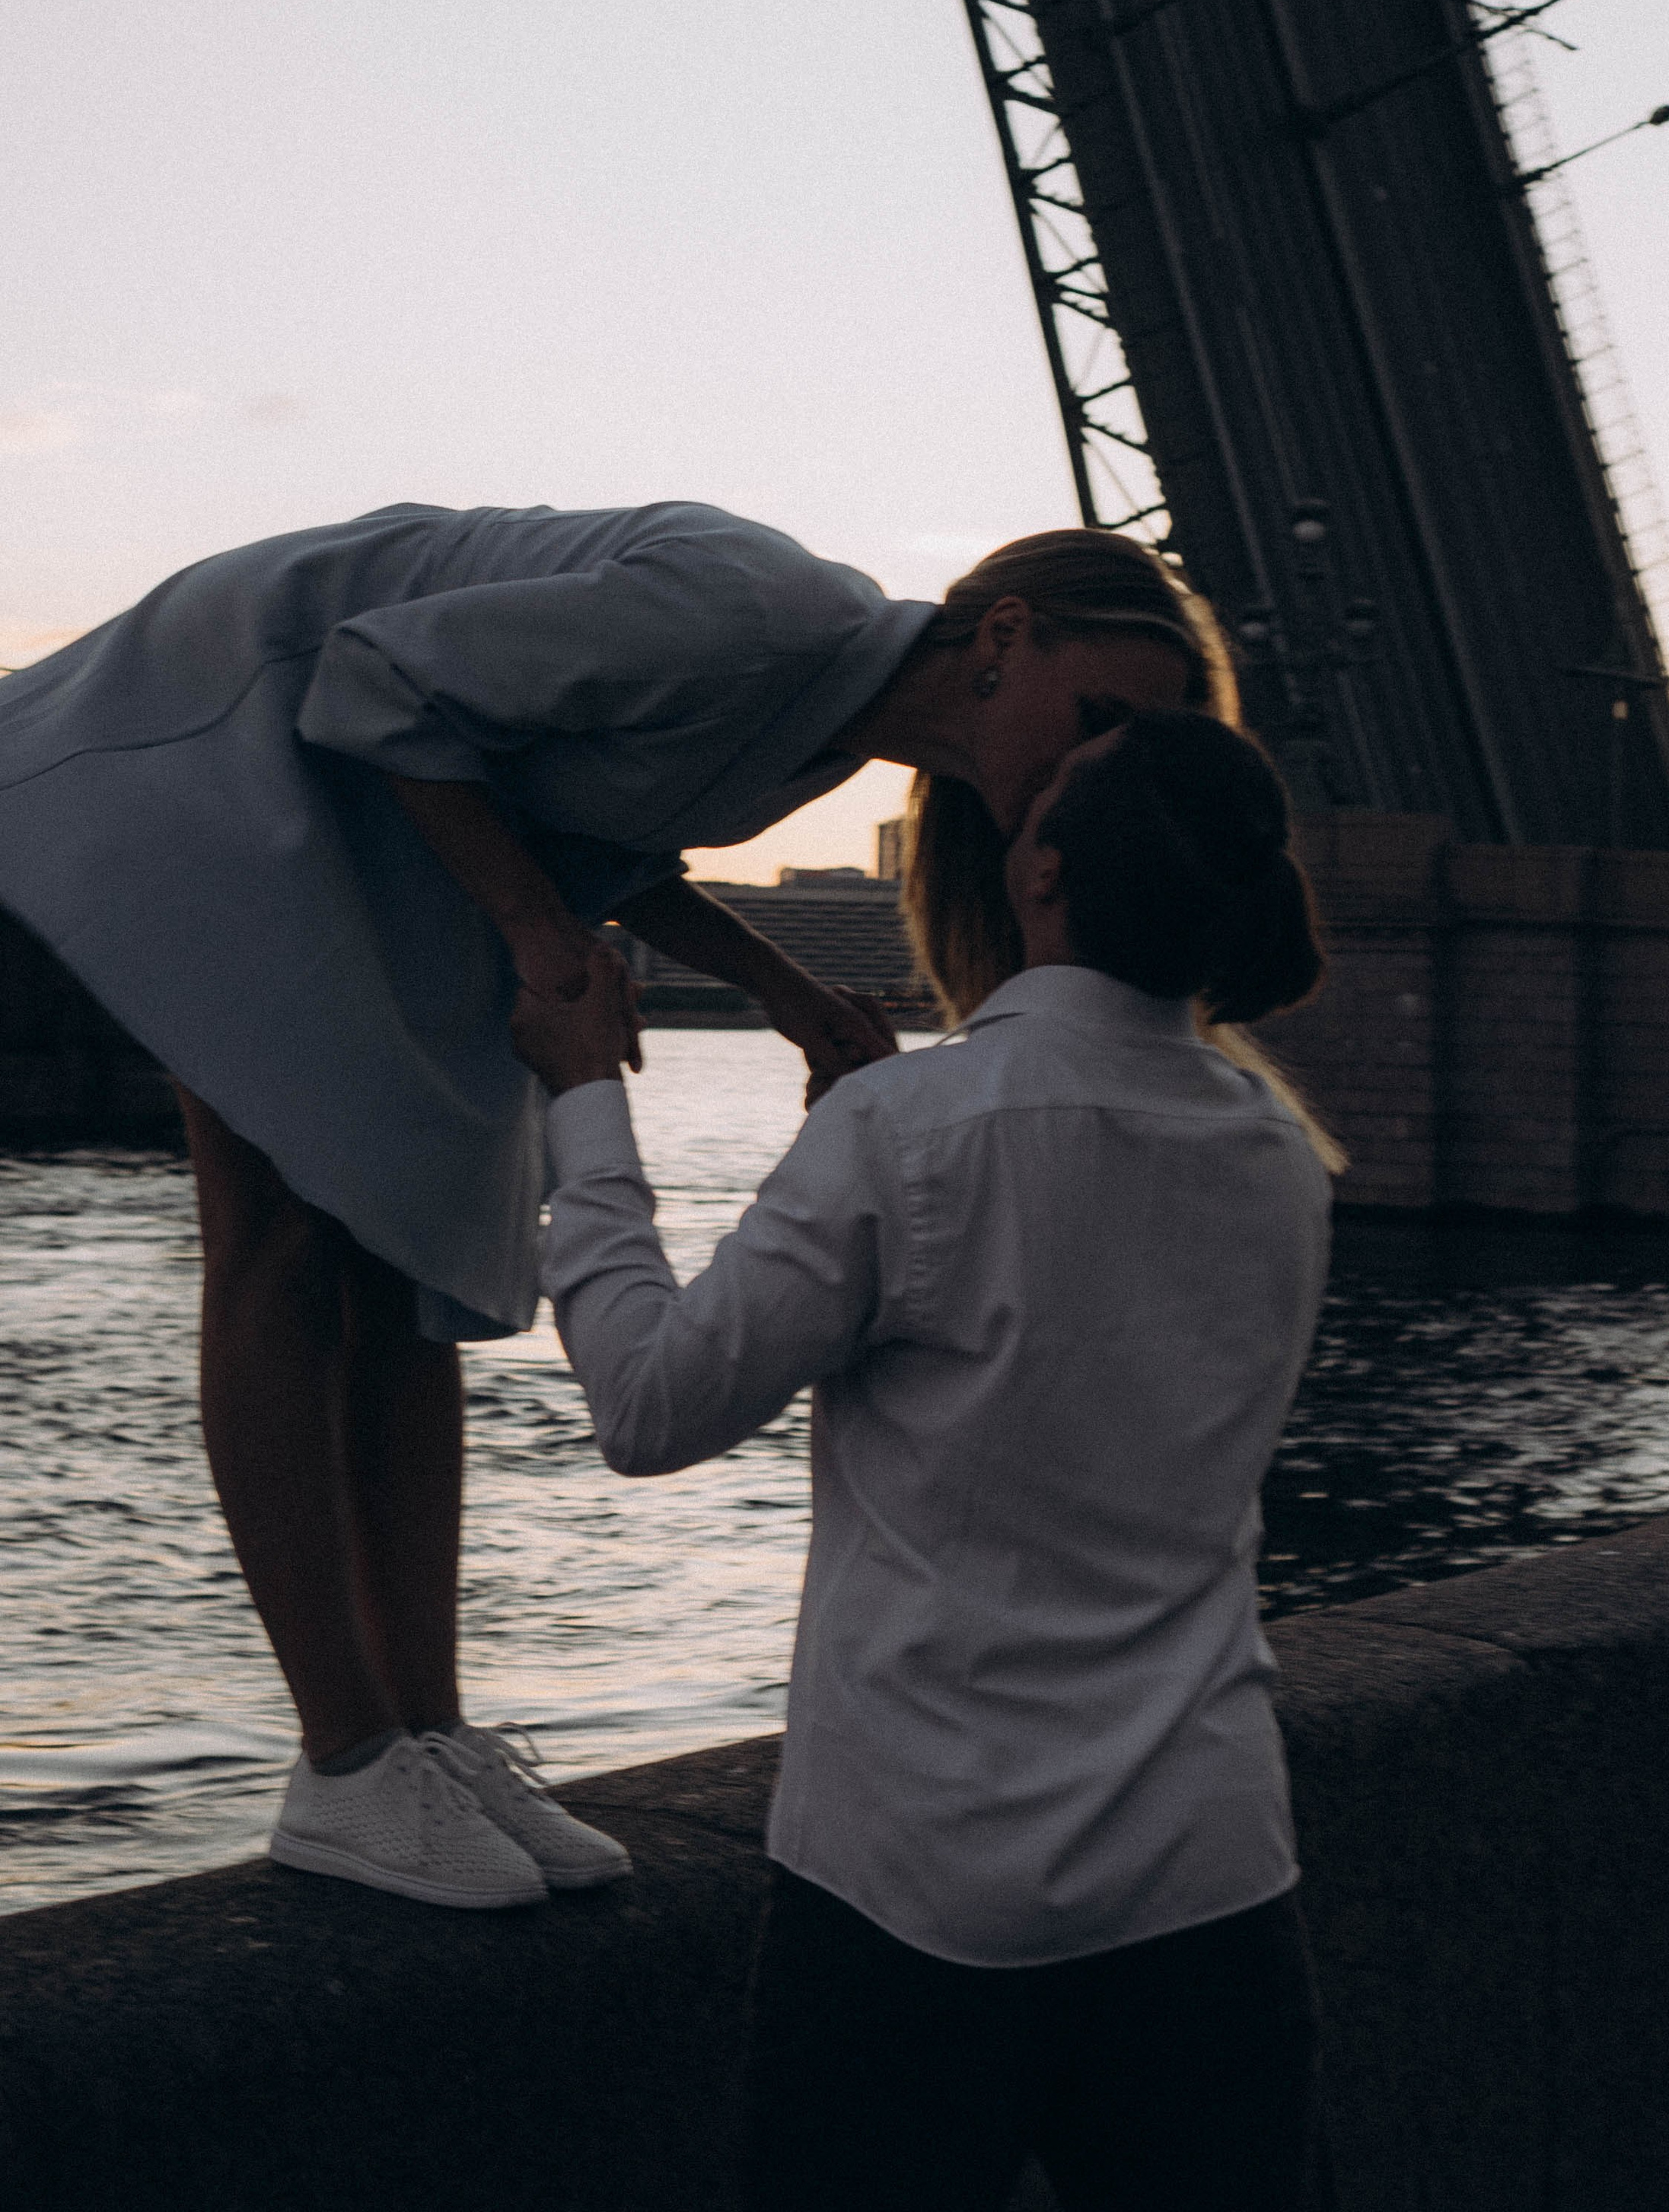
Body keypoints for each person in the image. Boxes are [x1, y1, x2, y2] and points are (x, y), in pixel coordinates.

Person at [0, 505, 1231, 1908]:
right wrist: (531, 926)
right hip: (223, 743)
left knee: (406, 1274)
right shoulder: (758, 617)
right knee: (280, 1244)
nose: (1093, 769)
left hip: (372, 811)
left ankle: (423, 1741)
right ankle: (345, 1768)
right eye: (1097, 715)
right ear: (1007, 637)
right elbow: (372, 683)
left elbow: (589, 812)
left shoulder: (826, 718)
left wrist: (785, 994)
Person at [518, 709, 1339, 2208]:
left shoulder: (908, 1130)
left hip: (910, 1890)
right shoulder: (1276, 1159)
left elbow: (647, 1407)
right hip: (1207, 1875)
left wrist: (585, 1103)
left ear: (1041, 880)